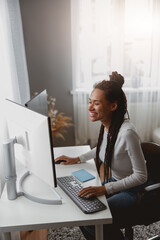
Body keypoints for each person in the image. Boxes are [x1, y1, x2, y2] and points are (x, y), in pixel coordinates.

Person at [55, 71, 148, 240]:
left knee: (92, 218)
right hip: (115, 182)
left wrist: (104, 188)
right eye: (89, 102)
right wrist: (77, 159)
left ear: (113, 106)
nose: (90, 107)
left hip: (133, 191)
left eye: (96, 103)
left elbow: (141, 176)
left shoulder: (127, 133)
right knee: (81, 204)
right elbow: (103, 147)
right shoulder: (109, 125)